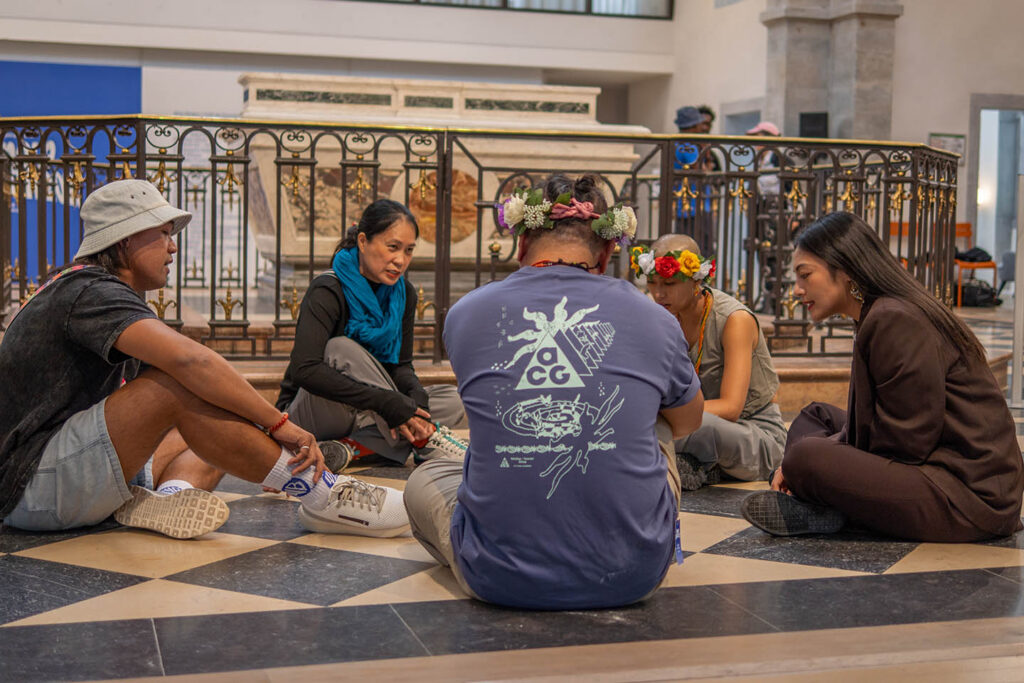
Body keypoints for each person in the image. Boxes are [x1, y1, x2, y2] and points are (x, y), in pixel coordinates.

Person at [0, 179, 408, 539]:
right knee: (177, 385)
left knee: (216, 409)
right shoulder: (90, 291)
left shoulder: (92, 289)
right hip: (30, 488)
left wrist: (256, 427)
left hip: (62, 473)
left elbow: (201, 386)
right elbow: (191, 362)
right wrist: (280, 425)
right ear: (125, 240)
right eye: (163, 233)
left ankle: (171, 496)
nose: (173, 246)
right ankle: (321, 493)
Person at [403, 174, 705, 610]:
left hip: (497, 577)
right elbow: (690, 421)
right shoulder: (655, 318)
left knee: (422, 480)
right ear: (606, 253)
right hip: (633, 575)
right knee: (657, 409)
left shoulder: (466, 313)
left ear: (521, 244)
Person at [741, 212, 1024, 541]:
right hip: (932, 465)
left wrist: (807, 463)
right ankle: (825, 502)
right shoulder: (880, 312)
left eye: (805, 275)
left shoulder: (894, 319)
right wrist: (831, 452)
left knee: (805, 457)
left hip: (967, 495)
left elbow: (907, 445)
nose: (796, 290)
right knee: (814, 416)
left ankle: (826, 503)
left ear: (845, 270)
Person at [276, 199, 467, 475]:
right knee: (341, 348)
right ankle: (419, 440)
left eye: (409, 250)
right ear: (363, 242)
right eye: (393, 247)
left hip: (366, 410)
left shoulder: (403, 294)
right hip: (316, 409)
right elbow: (305, 370)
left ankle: (346, 449)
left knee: (451, 400)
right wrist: (388, 403)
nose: (400, 260)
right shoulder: (328, 290)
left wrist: (415, 398)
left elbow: (400, 366)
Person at [631, 234, 786, 490]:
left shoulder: (735, 320)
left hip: (754, 434)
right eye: (652, 283)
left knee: (698, 427)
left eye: (669, 283)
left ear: (696, 281)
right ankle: (697, 464)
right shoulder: (663, 316)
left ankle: (688, 461)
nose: (658, 293)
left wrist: (663, 413)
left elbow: (731, 408)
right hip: (690, 423)